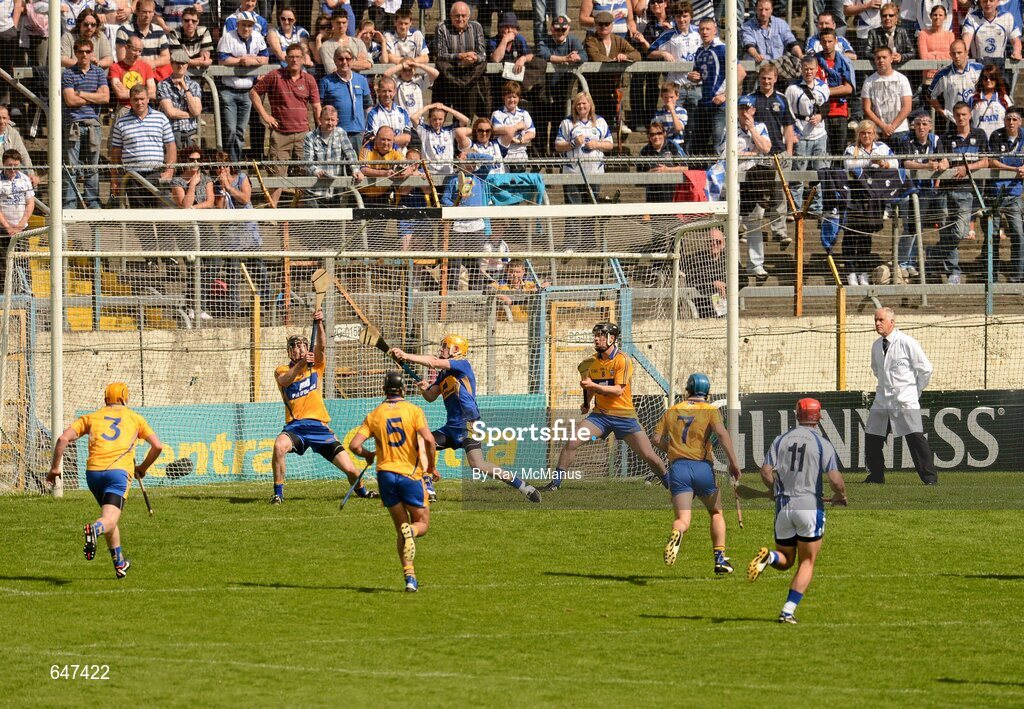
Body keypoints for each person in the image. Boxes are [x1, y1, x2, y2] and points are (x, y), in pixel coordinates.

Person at [389, 335, 542, 503]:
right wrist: (424, 389)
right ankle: (428, 487)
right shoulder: (444, 374)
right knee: (421, 444)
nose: (441, 350)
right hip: (451, 427)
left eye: (445, 347)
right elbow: (431, 396)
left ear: (455, 350)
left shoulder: (462, 365)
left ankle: (524, 487)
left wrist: (406, 355)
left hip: (468, 424)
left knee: (478, 465)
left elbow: (433, 361)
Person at [46, 383, 164, 580]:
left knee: (109, 517)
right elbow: (157, 446)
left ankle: (120, 564)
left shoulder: (92, 417)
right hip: (117, 475)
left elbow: (62, 439)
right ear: (125, 398)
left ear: (105, 399)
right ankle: (94, 529)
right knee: (107, 521)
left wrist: (55, 468)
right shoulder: (135, 418)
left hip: (93, 474)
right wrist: (142, 468)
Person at [747, 397, 848, 624]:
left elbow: (765, 472)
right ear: (818, 417)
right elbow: (835, 479)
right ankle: (787, 611)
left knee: (786, 559)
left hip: (783, 508)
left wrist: (775, 489)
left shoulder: (781, 440)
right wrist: (840, 496)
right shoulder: (822, 443)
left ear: (797, 415)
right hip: (809, 508)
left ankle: (769, 556)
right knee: (806, 562)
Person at [543, 322, 667, 491]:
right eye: (595, 335)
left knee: (649, 456)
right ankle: (555, 484)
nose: (596, 338)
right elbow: (589, 387)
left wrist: (594, 387)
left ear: (612, 338)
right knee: (572, 442)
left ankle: (670, 483)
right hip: (599, 417)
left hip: (625, 417)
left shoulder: (623, 360)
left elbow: (617, 390)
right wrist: (586, 404)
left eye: (601, 335)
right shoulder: (589, 363)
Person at [272, 313, 377, 505]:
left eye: (302, 345)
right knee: (279, 446)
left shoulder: (316, 366)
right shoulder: (282, 370)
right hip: (296, 427)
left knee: (351, 470)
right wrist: (302, 363)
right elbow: (285, 381)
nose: (299, 349)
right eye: (294, 347)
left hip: (319, 427)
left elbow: (321, 347)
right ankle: (278, 494)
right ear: (289, 352)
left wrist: (319, 324)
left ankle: (362, 492)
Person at [349, 372, 437, 592]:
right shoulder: (414, 411)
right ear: (404, 390)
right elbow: (429, 440)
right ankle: (412, 532)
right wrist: (431, 468)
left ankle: (410, 578)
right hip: (410, 475)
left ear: (384, 390)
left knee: (400, 528)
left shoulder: (375, 414)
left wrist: (369, 455)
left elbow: (354, 446)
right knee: (421, 525)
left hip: (385, 476)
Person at [653, 372, 742, 575]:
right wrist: (733, 464)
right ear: (707, 393)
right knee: (716, 513)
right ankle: (720, 560)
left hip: (678, 469)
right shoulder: (710, 410)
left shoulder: (672, 411)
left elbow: (656, 439)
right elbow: (721, 433)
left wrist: (675, 451)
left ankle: (677, 532)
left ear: (687, 390)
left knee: (683, 519)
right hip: (702, 467)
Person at [863, 307, 938, 485]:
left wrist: (914, 391)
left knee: (915, 439)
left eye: (881, 320)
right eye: (875, 320)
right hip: (882, 400)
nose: (877, 323)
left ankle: (930, 478)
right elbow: (876, 369)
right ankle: (876, 476)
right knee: (872, 436)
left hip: (905, 400)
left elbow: (926, 369)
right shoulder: (876, 346)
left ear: (892, 322)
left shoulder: (907, 342)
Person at [250, 43, 321, 205]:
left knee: (306, 174)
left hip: (304, 134)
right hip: (280, 134)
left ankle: (304, 214)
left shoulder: (309, 80)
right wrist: (265, 115)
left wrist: (319, 130)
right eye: (291, 57)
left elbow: (317, 107)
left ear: (303, 59)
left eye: (298, 57)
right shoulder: (275, 76)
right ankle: (272, 213)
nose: (294, 60)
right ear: (286, 58)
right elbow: (254, 92)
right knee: (277, 176)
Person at [938, 101, 988, 284]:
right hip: (946, 190)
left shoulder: (980, 134)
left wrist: (967, 168)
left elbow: (985, 161)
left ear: (970, 116)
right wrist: (943, 163)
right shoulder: (945, 137)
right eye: (957, 115)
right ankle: (953, 271)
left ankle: (934, 253)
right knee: (945, 230)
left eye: (964, 114)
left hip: (966, 191)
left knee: (960, 231)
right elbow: (942, 159)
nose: (960, 118)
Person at [555, 91, 613, 250]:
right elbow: (558, 146)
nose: (581, 106)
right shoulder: (567, 123)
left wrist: (597, 145)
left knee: (591, 207)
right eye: (578, 103)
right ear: (575, 106)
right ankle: (570, 244)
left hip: (594, 173)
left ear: (590, 105)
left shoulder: (600, 122)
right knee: (573, 208)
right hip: (572, 173)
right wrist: (573, 143)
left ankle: (589, 242)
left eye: (584, 103)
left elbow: (610, 144)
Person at [842, 120, 897, 285]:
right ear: (858, 134)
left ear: (875, 134)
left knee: (866, 236)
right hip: (855, 197)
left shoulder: (882, 147)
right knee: (851, 236)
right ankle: (851, 271)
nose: (866, 136)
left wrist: (884, 163)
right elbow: (849, 165)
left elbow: (895, 163)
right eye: (863, 133)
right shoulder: (851, 149)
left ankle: (863, 271)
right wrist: (871, 162)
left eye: (870, 133)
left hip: (873, 198)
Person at [896, 112, 948, 278]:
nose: (921, 127)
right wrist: (926, 166)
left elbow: (946, 160)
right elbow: (906, 162)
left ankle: (910, 261)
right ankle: (902, 262)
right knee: (910, 227)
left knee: (917, 227)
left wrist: (941, 164)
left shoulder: (935, 140)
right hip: (909, 189)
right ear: (913, 126)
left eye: (925, 124)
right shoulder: (907, 140)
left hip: (926, 190)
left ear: (930, 126)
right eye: (918, 124)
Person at [110, 83, 176, 208]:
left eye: (142, 99)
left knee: (161, 216)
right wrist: (115, 178)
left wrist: (169, 171)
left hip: (156, 174)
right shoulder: (121, 122)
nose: (139, 102)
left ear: (148, 99)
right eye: (135, 99)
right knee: (139, 218)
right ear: (130, 100)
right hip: (132, 176)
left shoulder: (161, 118)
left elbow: (171, 146)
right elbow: (115, 152)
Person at [61, 38, 109, 209]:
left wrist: (80, 93)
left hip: (93, 125)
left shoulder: (98, 72)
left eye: (87, 51)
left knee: (92, 167)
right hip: (73, 124)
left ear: (92, 53)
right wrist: (92, 96)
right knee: (71, 167)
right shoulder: (68, 73)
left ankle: (93, 203)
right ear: (75, 52)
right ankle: (69, 204)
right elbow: (70, 100)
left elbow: (105, 97)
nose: (84, 55)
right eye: (81, 51)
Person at [216, 12, 269, 162]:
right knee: (231, 129)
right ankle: (226, 161)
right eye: (243, 25)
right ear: (237, 25)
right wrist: (241, 61)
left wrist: (252, 60)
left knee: (240, 131)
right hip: (229, 90)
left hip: (248, 91)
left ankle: (235, 162)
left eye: (249, 25)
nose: (246, 28)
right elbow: (222, 59)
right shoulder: (228, 37)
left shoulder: (258, 37)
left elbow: (265, 57)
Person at [688, 17, 744, 157]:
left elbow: (741, 73)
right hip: (705, 102)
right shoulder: (700, 51)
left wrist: (725, 95)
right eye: (702, 29)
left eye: (708, 29)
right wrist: (695, 78)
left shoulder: (723, 49)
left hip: (721, 104)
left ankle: (723, 175)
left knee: (719, 142)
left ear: (715, 31)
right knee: (699, 143)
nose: (704, 32)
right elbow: (702, 75)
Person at [736, 94, 776, 281]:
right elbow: (727, 152)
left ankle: (756, 265)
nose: (744, 112)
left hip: (754, 180)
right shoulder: (731, 128)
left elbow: (766, 148)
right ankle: (733, 264)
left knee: (754, 221)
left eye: (747, 109)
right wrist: (753, 152)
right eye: (741, 108)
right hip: (735, 180)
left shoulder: (760, 127)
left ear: (753, 110)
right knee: (733, 222)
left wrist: (751, 129)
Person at [536, 15, 588, 154]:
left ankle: (555, 156)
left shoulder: (573, 40)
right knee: (541, 126)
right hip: (543, 91)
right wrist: (565, 58)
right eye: (557, 30)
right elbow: (543, 54)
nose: (560, 33)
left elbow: (584, 55)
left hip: (562, 91)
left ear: (568, 29)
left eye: (563, 30)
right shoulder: (545, 40)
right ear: (552, 29)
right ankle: (540, 158)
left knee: (558, 126)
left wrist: (577, 57)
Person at [787, 55, 830, 216]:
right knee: (799, 172)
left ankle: (816, 207)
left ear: (817, 69)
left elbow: (826, 106)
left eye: (811, 69)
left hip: (819, 134)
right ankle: (795, 207)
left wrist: (820, 116)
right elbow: (788, 111)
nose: (809, 72)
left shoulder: (823, 86)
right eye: (806, 69)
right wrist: (794, 133)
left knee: (819, 172)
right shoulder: (793, 89)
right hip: (801, 134)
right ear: (801, 69)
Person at [584, 10, 641, 133]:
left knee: (608, 128)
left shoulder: (618, 40)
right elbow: (596, 57)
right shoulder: (591, 40)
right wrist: (615, 61)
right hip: (594, 92)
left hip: (612, 92)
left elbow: (636, 54)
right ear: (596, 25)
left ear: (611, 25)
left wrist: (625, 57)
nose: (604, 27)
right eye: (600, 24)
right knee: (593, 127)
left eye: (607, 24)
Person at [432, 2, 489, 120]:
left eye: (463, 15)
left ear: (469, 16)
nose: (460, 19)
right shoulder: (442, 27)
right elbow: (441, 54)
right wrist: (461, 56)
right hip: (448, 77)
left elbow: (482, 54)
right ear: (450, 15)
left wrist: (473, 58)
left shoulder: (476, 27)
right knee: (438, 116)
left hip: (468, 76)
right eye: (457, 16)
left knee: (463, 119)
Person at [987, 106, 1024, 283]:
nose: (1011, 122)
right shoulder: (996, 135)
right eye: (1008, 119)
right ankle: (991, 274)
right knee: (993, 235)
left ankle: (1018, 274)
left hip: (1015, 193)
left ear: (1020, 121)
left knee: (1018, 234)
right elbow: (992, 161)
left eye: (1014, 119)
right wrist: (1014, 169)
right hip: (996, 193)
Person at [304, 105, 364, 207]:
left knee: (335, 222)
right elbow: (307, 160)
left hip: (335, 189)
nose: (330, 123)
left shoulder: (341, 133)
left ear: (337, 121)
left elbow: (350, 153)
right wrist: (316, 171)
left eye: (333, 120)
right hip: (314, 189)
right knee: (314, 222)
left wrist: (356, 170)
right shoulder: (310, 137)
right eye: (327, 120)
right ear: (320, 120)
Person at [813, 28, 857, 160]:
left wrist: (825, 90)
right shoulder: (814, 61)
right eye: (824, 42)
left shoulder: (844, 61)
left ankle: (839, 180)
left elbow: (848, 88)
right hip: (820, 113)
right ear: (820, 42)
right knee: (824, 153)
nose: (827, 45)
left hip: (840, 112)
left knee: (839, 153)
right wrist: (836, 89)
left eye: (830, 41)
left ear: (836, 41)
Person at [319, 48, 372, 150]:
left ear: (352, 60)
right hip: (335, 132)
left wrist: (367, 130)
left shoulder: (362, 80)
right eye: (340, 59)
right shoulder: (326, 81)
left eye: (348, 59)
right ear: (335, 60)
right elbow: (319, 108)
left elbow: (368, 107)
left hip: (358, 133)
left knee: (356, 165)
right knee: (336, 165)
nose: (344, 62)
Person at [862, 46, 914, 143]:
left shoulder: (902, 79)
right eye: (878, 58)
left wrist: (892, 127)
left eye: (884, 57)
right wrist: (883, 127)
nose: (881, 60)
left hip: (900, 130)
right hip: (877, 131)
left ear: (891, 59)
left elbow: (907, 107)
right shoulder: (868, 82)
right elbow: (867, 109)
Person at [928, 40, 983, 126]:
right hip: (954, 122)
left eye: (959, 52)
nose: (956, 56)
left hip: (976, 120)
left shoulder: (979, 70)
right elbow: (930, 95)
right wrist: (942, 112)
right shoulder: (943, 74)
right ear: (950, 55)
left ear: (966, 52)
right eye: (953, 53)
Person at [157, 47, 203, 149]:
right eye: (177, 63)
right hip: (170, 133)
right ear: (172, 64)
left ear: (187, 65)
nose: (180, 66)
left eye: (184, 63)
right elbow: (170, 113)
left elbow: (196, 111)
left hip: (191, 132)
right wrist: (191, 114)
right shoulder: (163, 85)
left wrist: (185, 89)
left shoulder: (193, 85)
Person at [115, 0, 171, 81]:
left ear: (153, 13)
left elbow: (166, 58)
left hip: (155, 77)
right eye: (144, 12)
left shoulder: (159, 31)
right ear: (137, 12)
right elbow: (122, 58)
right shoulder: (124, 30)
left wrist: (153, 63)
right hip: (131, 75)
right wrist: (145, 65)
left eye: (150, 12)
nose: (147, 15)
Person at [413, 102, 471, 179]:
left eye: (440, 119)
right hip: (429, 174)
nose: (437, 122)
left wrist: (446, 108)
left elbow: (465, 120)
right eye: (434, 119)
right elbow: (413, 117)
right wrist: (430, 106)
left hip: (448, 173)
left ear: (444, 119)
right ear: (430, 118)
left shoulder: (449, 130)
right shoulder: (424, 130)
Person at [638, 120, 686, 203]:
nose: (656, 137)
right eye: (652, 134)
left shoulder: (672, 146)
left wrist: (667, 170)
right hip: (653, 199)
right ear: (648, 136)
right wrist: (649, 173)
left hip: (674, 197)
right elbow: (638, 178)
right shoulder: (644, 151)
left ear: (664, 134)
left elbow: (686, 168)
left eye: (659, 133)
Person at [490, 81, 536, 169]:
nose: (512, 100)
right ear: (503, 98)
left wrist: (521, 139)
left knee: (519, 182)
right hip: (503, 157)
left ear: (519, 98)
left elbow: (532, 133)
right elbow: (497, 131)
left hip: (521, 157)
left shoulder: (524, 114)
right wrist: (518, 127)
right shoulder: (497, 114)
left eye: (514, 97)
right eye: (509, 97)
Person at [960, 0, 1022, 65]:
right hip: (978, 66)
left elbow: (1016, 40)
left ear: (997, 2)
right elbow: (966, 38)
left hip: (999, 66)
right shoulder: (971, 18)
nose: (988, 3)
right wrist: (964, 53)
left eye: (991, 1)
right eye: (985, 1)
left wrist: (1017, 52)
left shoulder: (1007, 17)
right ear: (980, 2)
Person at [684, 228, 727, 317]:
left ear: (723, 244)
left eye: (718, 241)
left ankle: (723, 317)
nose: (714, 244)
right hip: (703, 303)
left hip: (727, 300)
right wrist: (712, 284)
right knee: (717, 298)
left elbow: (744, 280)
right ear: (706, 243)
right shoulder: (696, 259)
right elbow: (691, 280)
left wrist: (725, 285)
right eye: (710, 241)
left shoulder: (730, 258)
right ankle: (722, 317)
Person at [365, 75, 412, 150]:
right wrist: (398, 140)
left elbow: (407, 138)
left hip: (400, 157)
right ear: (378, 92)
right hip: (382, 159)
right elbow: (373, 139)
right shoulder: (372, 113)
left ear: (394, 92)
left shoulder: (402, 112)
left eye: (390, 91)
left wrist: (385, 141)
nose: (387, 94)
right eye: (384, 91)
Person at [0, 150, 34, 245]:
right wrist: (8, 227)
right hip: (3, 230)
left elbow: (30, 203)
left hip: (22, 228)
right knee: (4, 258)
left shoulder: (25, 179)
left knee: (22, 258)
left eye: (16, 165)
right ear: (3, 163)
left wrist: (20, 225)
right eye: (9, 165)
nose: (12, 168)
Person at [969, 65, 1010, 138]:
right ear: (981, 80)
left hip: (999, 143)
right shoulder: (973, 99)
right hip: (979, 143)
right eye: (985, 78)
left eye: (992, 78)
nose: (988, 80)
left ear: (997, 79)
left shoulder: (1004, 99)